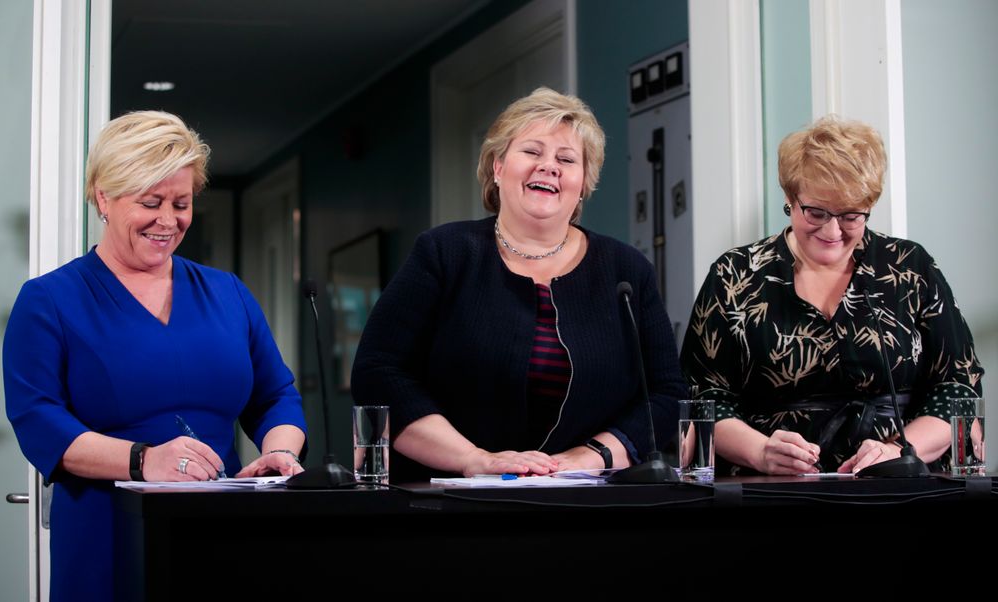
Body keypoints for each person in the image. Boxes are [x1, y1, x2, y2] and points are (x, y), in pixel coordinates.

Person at [3, 111, 307, 600]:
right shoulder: (49, 301)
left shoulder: (227, 293)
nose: (168, 221)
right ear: (104, 197)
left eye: (181, 203)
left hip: (219, 538)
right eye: (150, 202)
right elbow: (38, 420)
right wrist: (143, 460)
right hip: (105, 538)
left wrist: (280, 450)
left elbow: (276, 395)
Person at [351, 87, 687, 481]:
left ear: (583, 183)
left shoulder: (627, 269)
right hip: (451, 500)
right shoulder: (444, 252)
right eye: (531, 152)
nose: (549, 167)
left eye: (566, 159)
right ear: (497, 167)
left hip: (588, 501)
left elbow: (667, 394)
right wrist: (472, 458)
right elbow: (377, 373)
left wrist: (592, 455)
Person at [680, 116, 983, 476]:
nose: (833, 230)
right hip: (772, 489)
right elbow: (705, 398)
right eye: (816, 212)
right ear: (791, 199)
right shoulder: (734, 275)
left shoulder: (910, 268)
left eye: (851, 215)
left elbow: (958, 389)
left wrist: (901, 450)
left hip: (899, 484)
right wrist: (760, 451)